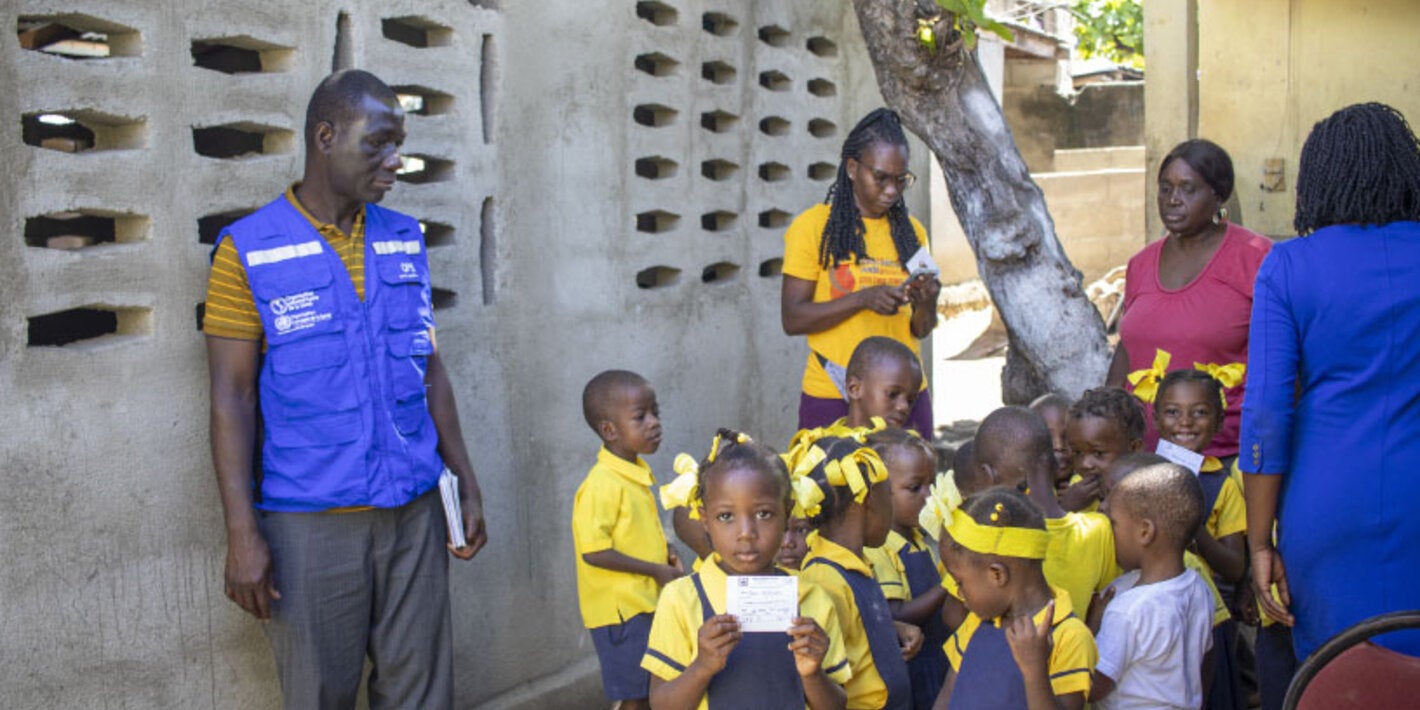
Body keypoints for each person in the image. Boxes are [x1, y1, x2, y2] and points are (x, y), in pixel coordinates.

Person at [203, 69, 486, 709]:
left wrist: (463, 477)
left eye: (400, 145)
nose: (396, 162)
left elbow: (429, 368)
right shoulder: (247, 251)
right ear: (325, 137)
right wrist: (242, 533)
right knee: (319, 696)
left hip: (414, 512)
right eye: (378, 144)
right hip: (309, 525)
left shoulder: (403, 238)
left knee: (420, 697)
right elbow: (231, 398)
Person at [1241, 102, 1420, 661]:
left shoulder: (1289, 266)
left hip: (1326, 500)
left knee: (1339, 673)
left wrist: (1258, 540)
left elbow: (1267, 412)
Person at [647, 430, 850, 710]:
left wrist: (812, 673)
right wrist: (702, 667)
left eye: (763, 514)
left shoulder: (812, 598)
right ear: (705, 519)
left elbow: (836, 705)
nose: (746, 533)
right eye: (726, 516)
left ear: (787, 513)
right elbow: (661, 704)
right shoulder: (681, 599)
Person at [1107, 139, 1273, 461]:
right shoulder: (1140, 264)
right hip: (1147, 456)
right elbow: (1127, 353)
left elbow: (1287, 361)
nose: (1173, 200)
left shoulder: (1256, 258)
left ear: (1218, 195)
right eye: (1165, 188)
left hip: (1228, 456)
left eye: (1188, 189)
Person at [781, 109, 940, 440]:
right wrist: (862, 299)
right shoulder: (813, 228)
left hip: (904, 397)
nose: (891, 190)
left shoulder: (912, 233)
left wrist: (927, 303)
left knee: (906, 488)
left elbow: (920, 329)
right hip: (833, 391)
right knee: (829, 488)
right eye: (880, 177)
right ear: (852, 168)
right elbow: (793, 318)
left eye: (901, 180)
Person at [922, 485, 1097, 710]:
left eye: (959, 582)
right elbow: (947, 696)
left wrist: (1034, 669)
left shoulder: (1069, 636)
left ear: (997, 574)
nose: (959, 593)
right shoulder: (976, 622)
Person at [572, 370, 684, 710]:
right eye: (640, 417)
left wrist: (666, 552)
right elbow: (594, 551)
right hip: (620, 613)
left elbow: (636, 530)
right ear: (609, 430)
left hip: (643, 602)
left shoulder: (632, 472)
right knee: (636, 694)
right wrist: (654, 570)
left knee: (649, 688)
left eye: (656, 413)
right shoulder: (601, 484)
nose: (654, 423)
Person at [793, 432, 922, 709]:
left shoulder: (855, 564)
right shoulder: (825, 579)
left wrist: (890, 627)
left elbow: (852, 632)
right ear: (868, 501)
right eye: (887, 494)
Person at [1088, 463, 1215, 709]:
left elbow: (1093, 687)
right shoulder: (1199, 587)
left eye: (1112, 523)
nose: (1106, 531)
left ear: (1145, 531)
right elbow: (1205, 657)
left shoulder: (1127, 610)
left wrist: (1091, 627)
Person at [976, 407, 1118, 617]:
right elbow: (1106, 598)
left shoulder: (986, 539)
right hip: (1076, 646)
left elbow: (955, 617)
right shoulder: (1099, 529)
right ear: (1054, 462)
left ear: (988, 476)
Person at [867, 428, 950, 710]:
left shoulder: (917, 540)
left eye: (931, 485)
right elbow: (897, 614)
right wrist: (947, 586)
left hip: (934, 659)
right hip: (912, 668)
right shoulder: (881, 547)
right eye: (915, 488)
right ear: (878, 492)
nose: (927, 496)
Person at [1064, 388, 1145, 513]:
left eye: (1098, 453)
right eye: (1078, 453)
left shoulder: (1146, 495)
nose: (1085, 464)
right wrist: (1067, 508)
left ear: (1134, 448)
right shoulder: (1076, 488)